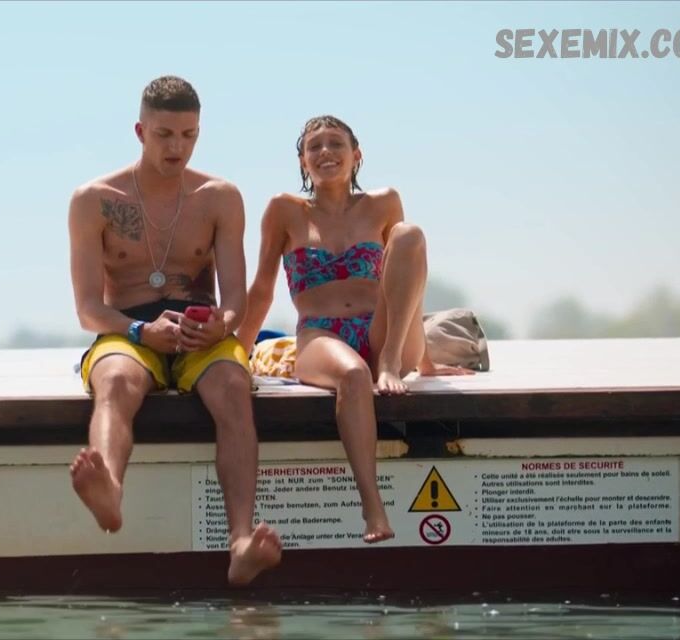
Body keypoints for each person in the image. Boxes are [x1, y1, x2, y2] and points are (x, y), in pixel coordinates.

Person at [67, 76, 281, 585]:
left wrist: (221, 326)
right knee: (115, 381)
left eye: (188, 135)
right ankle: (110, 489)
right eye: (164, 134)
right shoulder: (94, 200)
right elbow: (88, 310)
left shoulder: (219, 197)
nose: (176, 147)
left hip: (198, 329)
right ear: (140, 131)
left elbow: (235, 300)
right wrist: (140, 332)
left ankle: (241, 541)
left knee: (233, 387)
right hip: (127, 329)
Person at [236, 115, 474, 543]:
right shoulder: (284, 210)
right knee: (352, 375)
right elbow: (262, 289)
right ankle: (373, 507)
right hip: (321, 334)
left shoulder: (383, 202)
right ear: (303, 161)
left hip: (384, 335)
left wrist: (425, 364)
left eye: (336, 144)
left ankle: (389, 364)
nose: (325, 152)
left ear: (356, 155)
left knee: (409, 235)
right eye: (314, 146)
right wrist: (237, 353)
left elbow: (408, 283)